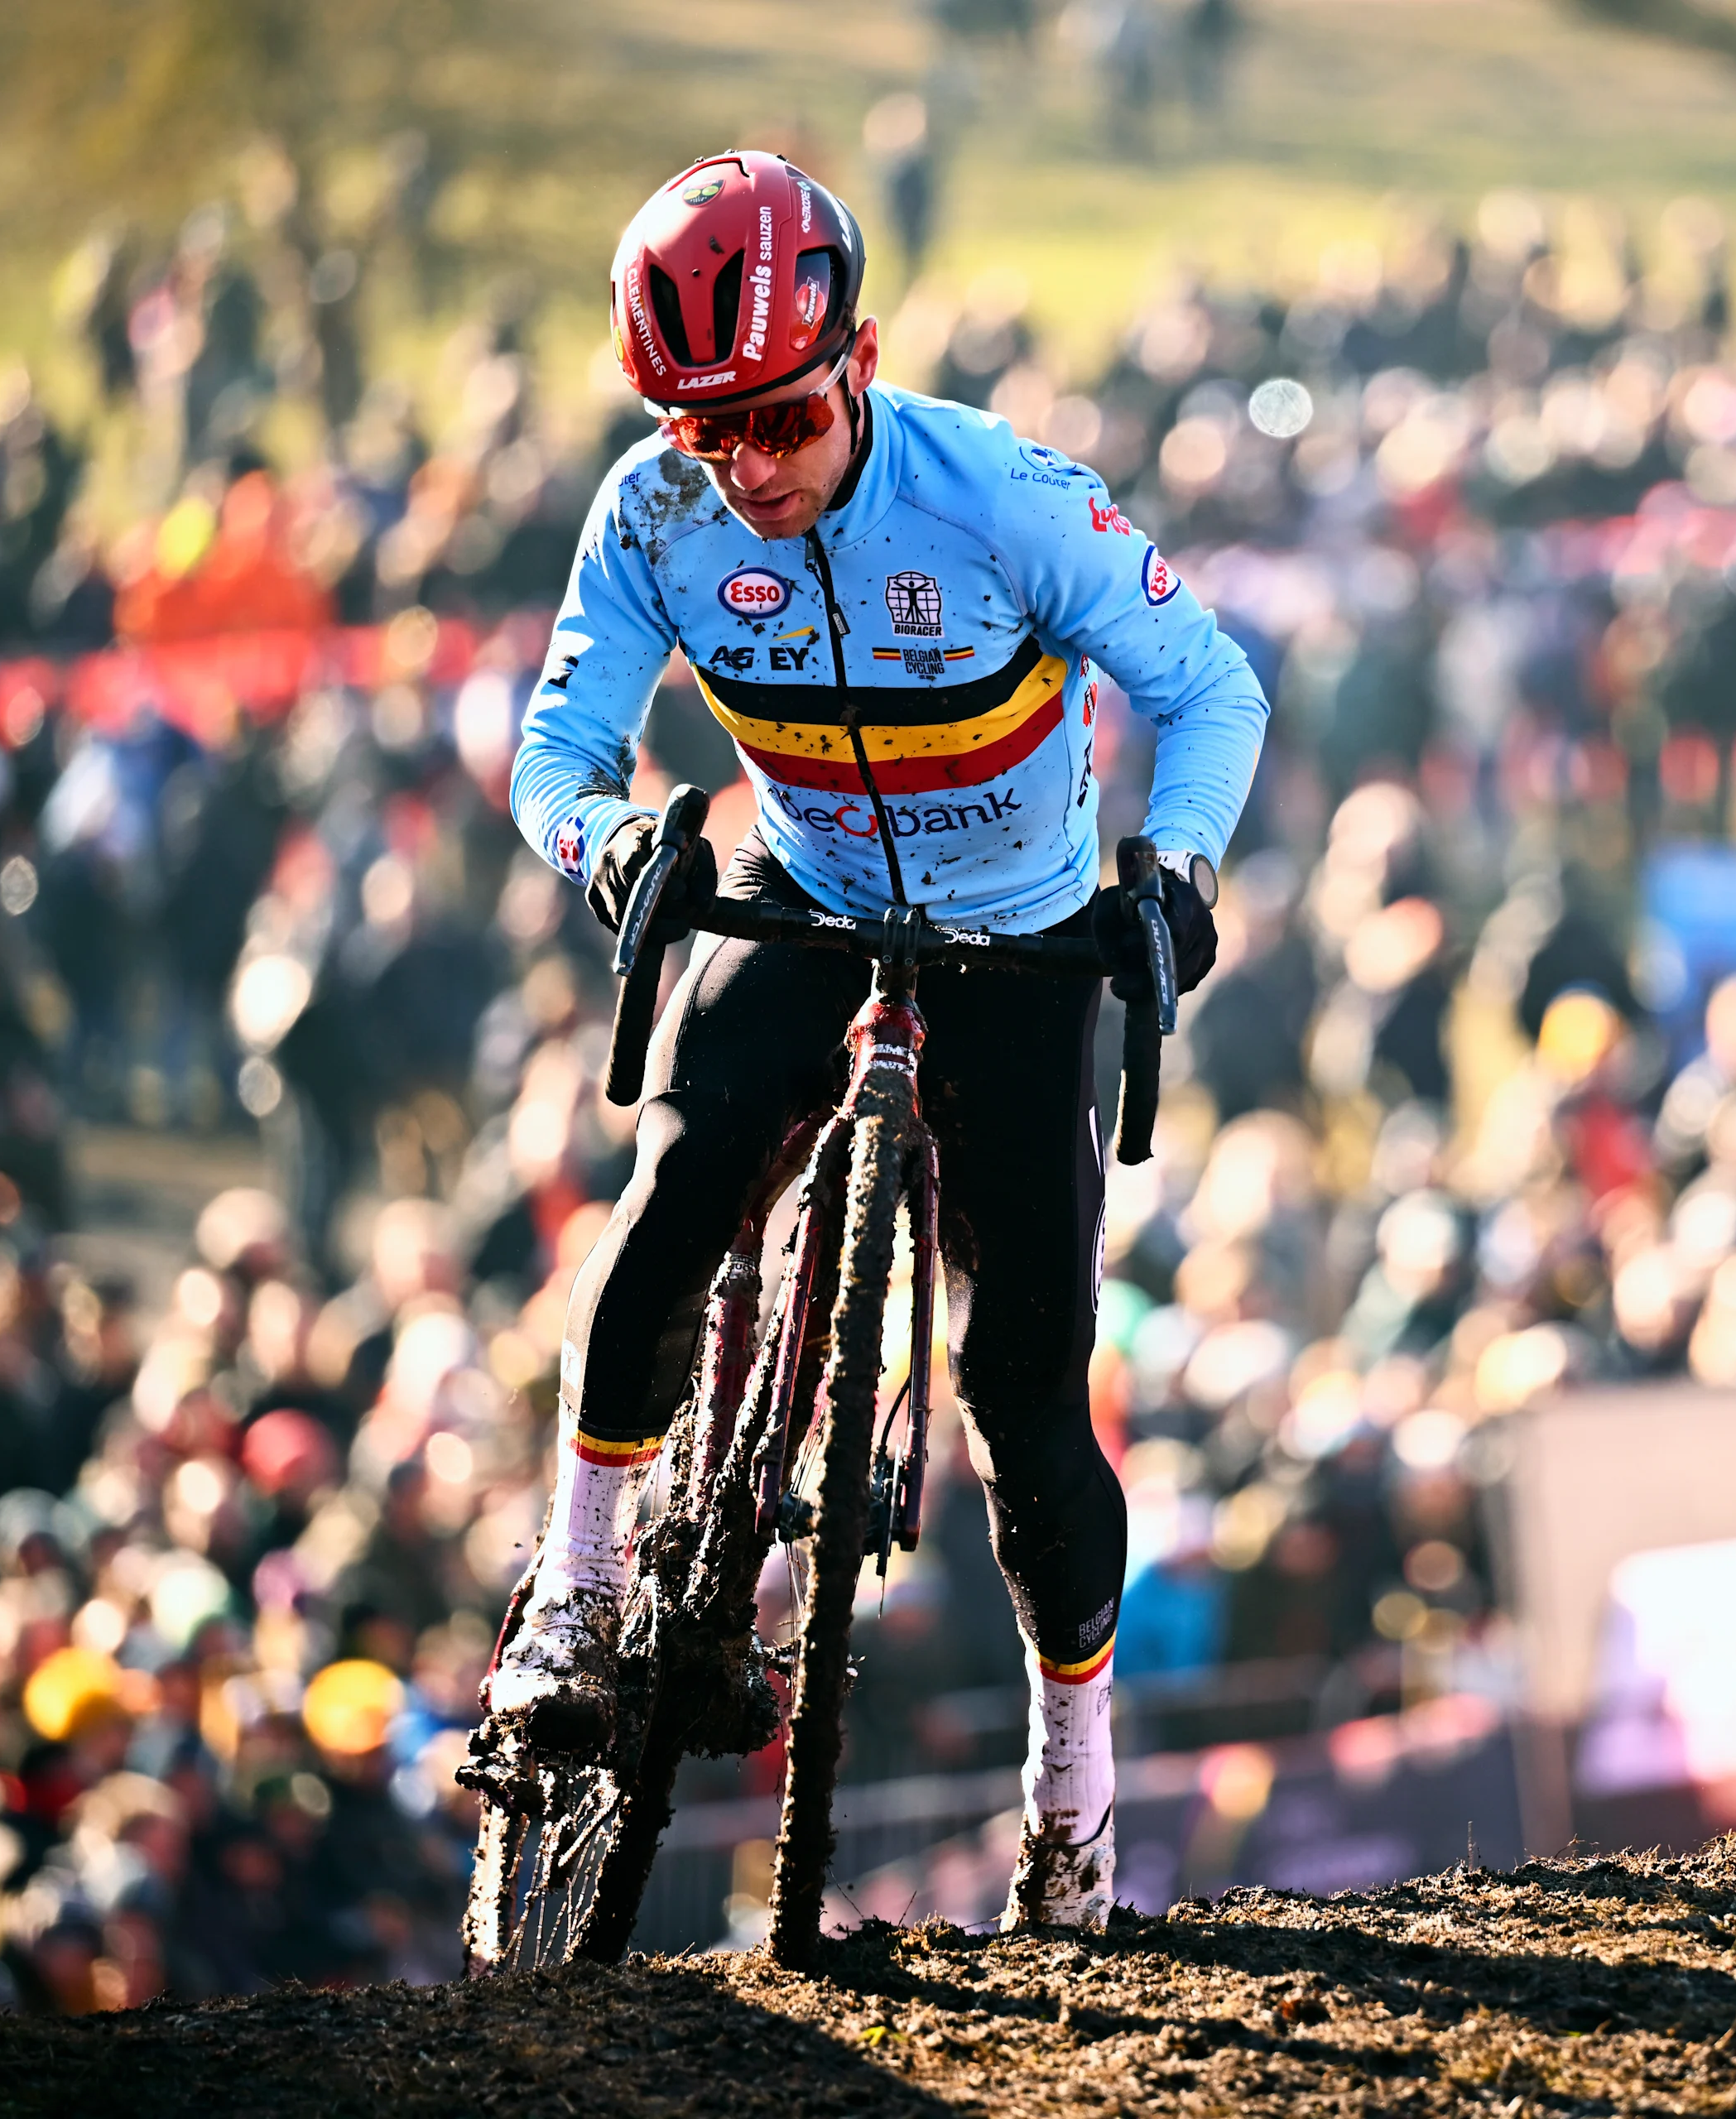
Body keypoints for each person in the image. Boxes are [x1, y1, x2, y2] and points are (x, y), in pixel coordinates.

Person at [493, 151, 1267, 1932]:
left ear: (852, 357)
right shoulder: (657, 515)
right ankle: (575, 1595)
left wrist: (1187, 880)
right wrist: (610, 839)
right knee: (678, 1184)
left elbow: (1212, 688)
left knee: (1020, 1390)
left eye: (773, 416)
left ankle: (1073, 1793)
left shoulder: (998, 496)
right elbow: (556, 754)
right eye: (706, 433)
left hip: (1024, 937)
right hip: (804, 885)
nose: (748, 470)